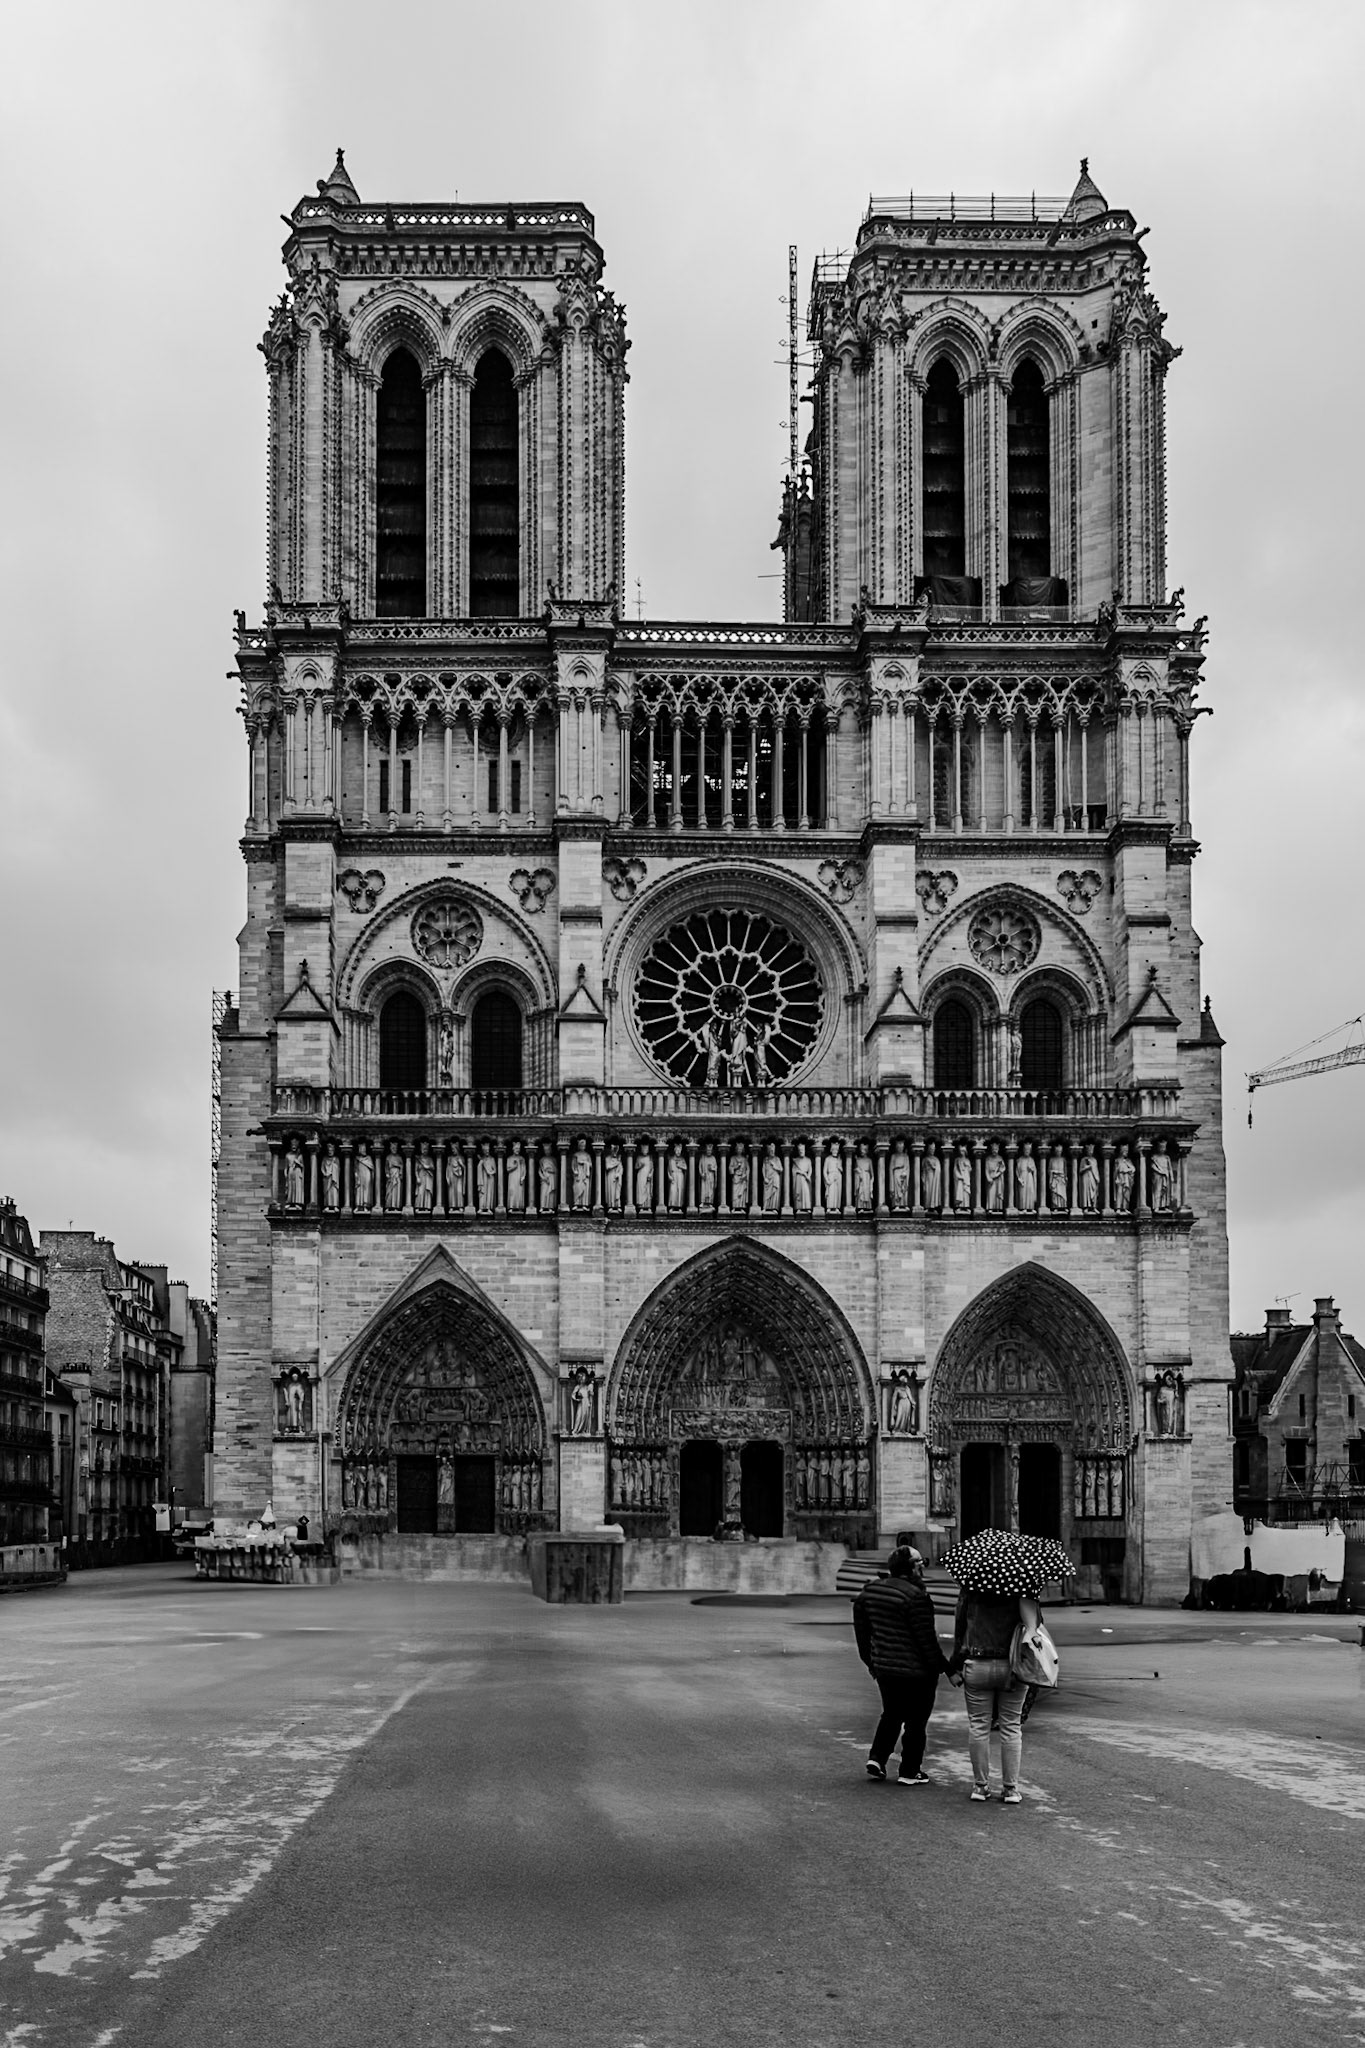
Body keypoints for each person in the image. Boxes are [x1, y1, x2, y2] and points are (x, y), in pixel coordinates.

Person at [852, 1545, 951, 1786]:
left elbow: (862, 1636)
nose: (923, 1566)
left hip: (885, 1668)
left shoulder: (869, 1593)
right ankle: (909, 1770)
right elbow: (926, 1640)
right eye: (920, 1562)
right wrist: (945, 1668)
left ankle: (877, 1758)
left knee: (892, 1713)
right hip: (917, 1672)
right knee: (916, 1721)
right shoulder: (916, 1597)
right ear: (913, 1567)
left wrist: (872, 1663)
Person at [949, 1582, 1028, 1803]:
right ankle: (1011, 1789)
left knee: (978, 1725)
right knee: (1011, 1726)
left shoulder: (972, 1585)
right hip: (1013, 1665)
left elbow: (960, 1628)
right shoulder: (1023, 1584)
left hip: (978, 1662)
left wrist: (955, 1665)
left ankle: (980, 1786)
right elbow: (1034, 1626)